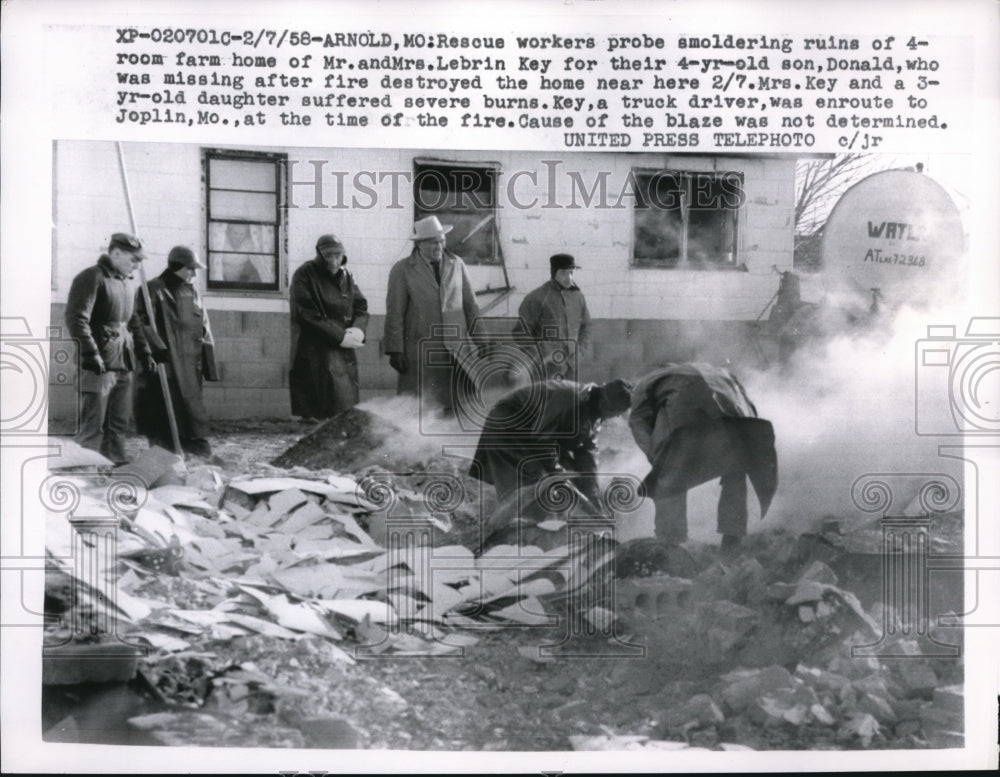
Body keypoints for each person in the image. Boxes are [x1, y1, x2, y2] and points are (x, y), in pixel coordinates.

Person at [628, 363, 778, 552]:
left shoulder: (646, 382)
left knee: (669, 479)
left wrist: (656, 459)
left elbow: (637, 422)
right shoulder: (719, 371)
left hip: (689, 422)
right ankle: (732, 540)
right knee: (735, 471)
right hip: (738, 423)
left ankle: (670, 545)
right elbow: (749, 407)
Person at [470, 378, 634, 511]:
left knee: (573, 477)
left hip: (536, 436)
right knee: (535, 483)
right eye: (616, 413)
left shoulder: (595, 411)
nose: (617, 417)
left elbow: (587, 453)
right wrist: (557, 473)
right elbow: (542, 438)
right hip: (510, 424)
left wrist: (592, 495)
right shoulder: (570, 398)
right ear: (605, 404)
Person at [65, 232, 149, 465]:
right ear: (116, 253)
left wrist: (145, 351)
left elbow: (132, 322)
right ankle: (85, 469)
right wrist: (90, 353)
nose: (137, 265)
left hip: (123, 360)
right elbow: (77, 318)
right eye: (134, 259)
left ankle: (114, 463)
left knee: (118, 421)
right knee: (93, 423)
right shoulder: (91, 278)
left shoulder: (128, 282)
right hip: (98, 363)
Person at [384, 215, 482, 413]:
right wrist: (395, 349)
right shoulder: (402, 269)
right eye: (432, 242)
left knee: (454, 407)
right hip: (420, 352)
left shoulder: (457, 264)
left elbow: (471, 306)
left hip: (454, 352)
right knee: (419, 409)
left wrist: (483, 341)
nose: (439, 246)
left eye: (442, 240)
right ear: (419, 244)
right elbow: (395, 312)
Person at [133, 246, 219, 458]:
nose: (194, 274)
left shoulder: (194, 292)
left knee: (190, 406)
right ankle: (163, 448)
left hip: (190, 362)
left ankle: (192, 444)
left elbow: (204, 325)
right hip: (165, 360)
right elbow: (140, 322)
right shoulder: (151, 289)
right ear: (178, 267)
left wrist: (209, 364)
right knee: (162, 404)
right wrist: (155, 348)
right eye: (190, 269)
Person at [288, 234, 369, 422]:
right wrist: (340, 336)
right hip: (315, 349)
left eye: (338, 255)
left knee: (344, 407)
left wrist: (358, 329)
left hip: (344, 347)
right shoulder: (304, 274)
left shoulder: (347, 276)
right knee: (317, 410)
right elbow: (306, 314)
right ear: (319, 254)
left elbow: (361, 307)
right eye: (329, 256)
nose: (334, 261)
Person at [517, 253, 592, 381]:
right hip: (546, 370)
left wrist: (580, 351)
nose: (569, 278)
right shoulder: (537, 298)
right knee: (547, 400)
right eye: (563, 273)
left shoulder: (578, 297)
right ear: (554, 273)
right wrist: (541, 355)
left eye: (571, 273)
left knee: (569, 399)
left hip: (572, 367)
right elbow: (520, 332)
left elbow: (586, 327)